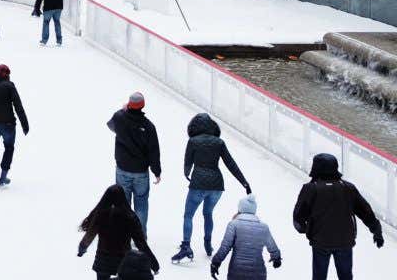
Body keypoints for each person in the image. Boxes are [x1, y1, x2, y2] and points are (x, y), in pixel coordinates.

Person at [174, 112, 252, 263]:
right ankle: (208, 244)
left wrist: (187, 174)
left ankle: (186, 246)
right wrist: (244, 182)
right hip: (216, 185)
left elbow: (187, 163)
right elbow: (231, 164)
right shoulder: (219, 142)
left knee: (188, 215)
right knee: (208, 213)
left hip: (198, 183)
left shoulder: (193, 141)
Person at [292, 152, 384, 280]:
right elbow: (365, 211)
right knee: (346, 276)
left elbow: (298, 216)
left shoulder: (311, 188)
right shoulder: (348, 188)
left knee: (319, 276)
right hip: (344, 241)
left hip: (321, 241)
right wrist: (376, 230)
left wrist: (307, 230)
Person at [78, 184, 160, 280]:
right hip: (122, 260)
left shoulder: (101, 213)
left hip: (103, 259)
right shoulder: (130, 216)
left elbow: (90, 234)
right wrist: (153, 264)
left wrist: (82, 248)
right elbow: (140, 243)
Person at [107, 92, 162, 234]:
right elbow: (153, 151)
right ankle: (139, 236)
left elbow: (111, 125)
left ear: (129, 105)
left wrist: (123, 110)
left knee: (122, 204)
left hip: (122, 169)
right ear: (143, 106)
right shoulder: (149, 126)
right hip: (141, 173)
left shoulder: (119, 118)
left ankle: (122, 234)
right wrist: (156, 171)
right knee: (141, 205)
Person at [210, 194, 281, 280]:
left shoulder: (234, 224)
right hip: (258, 272)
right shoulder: (263, 227)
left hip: (237, 271)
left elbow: (225, 247)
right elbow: (272, 246)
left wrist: (216, 262)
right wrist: (276, 258)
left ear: (240, 209)